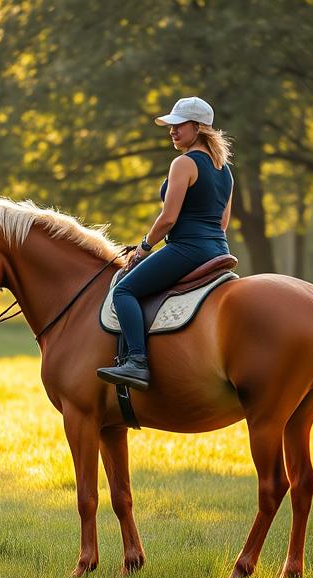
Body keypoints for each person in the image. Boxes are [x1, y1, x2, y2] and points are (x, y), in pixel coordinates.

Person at [97, 96, 234, 391]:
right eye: (170, 125)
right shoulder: (225, 170)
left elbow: (168, 219)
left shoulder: (183, 163)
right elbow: (223, 223)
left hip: (187, 249)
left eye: (178, 125)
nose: (172, 130)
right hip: (218, 250)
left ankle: (137, 362)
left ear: (198, 127)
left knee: (124, 290)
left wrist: (143, 247)